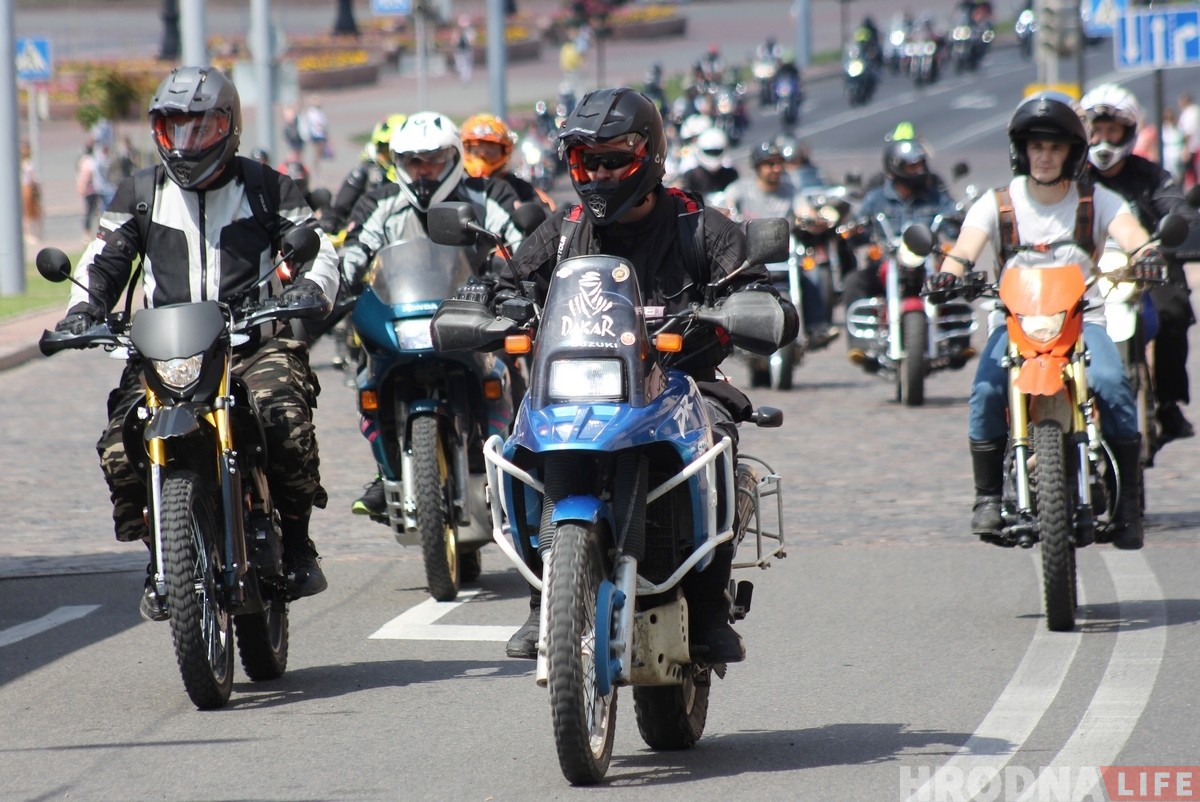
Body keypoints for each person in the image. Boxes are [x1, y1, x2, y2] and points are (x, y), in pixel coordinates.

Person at [489, 87, 799, 663]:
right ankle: (543, 600)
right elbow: (504, 282)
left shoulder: (699, 227)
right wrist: (481, 301)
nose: (600, 174)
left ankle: (708, 606)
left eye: (614, 160)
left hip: (683, 383)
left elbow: (758, 289)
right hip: (582, 387)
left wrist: (751, 304)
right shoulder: (567, 230)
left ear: (649, 155)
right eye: (587, 161)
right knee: (526, 443)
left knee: (719, 439)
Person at [53, 66, 340, 619]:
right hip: (165, 354)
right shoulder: (140, 192)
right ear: (158, 130)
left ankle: (299, 544)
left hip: (250, 344)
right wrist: (82, 310)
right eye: (174, 128)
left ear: (229, 125)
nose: (187, 141)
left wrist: (309, 287)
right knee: (119, 445)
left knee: (283, 418)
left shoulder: (267, 187)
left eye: (201, 127)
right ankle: (164, 557)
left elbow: (316, 246)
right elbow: (104, 259)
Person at [928, 91, 1155, 550]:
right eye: (1037, 146)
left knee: (1112, 383)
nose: (1045, 156)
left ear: (1072, 153)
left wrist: (1147, 254)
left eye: (1055, 147)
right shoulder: (997, 203)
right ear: (1022, 151)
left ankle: (1128, 504)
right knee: (987, 390)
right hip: (1012, 325)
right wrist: (949, 273)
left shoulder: (1098, 200)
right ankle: (987, 497)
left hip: (1082, 322)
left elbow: (1133, 234)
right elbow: (965, 247)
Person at [342, 112, 526, 519]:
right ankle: (386, 468)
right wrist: (342, 273)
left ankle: (522, 461)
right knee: (366, 370)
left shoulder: (486, 195)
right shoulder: (380, 201)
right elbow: (355, 244)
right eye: (413, 162)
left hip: (474, 314)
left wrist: (509, 268)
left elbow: (520, 239)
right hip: (403, 314)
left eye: (433, 160)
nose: (423, 171)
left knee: (513, 361)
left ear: (453, 158)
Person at [1081, 84, 1200, 445]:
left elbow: (1175, 206)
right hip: (1089, 271)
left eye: (1112, 130)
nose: (1103, 139)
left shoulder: (1151, 176)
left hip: (1148, 269)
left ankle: (1168, 402)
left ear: (1128, 132)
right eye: (1096, 131)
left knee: (1173, 311)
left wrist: (1184, 228)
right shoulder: (1074, 179)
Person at [842, 135, 959, 363]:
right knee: (852, 281)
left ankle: (957, 339)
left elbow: (954, 224)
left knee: (957, 277)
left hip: (927, 264)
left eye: (921, 164)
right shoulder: (876, 199)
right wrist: (856, 230)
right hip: (887, 263)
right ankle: (860, 344)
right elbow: (858, 226)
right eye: (912, 166)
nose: (919, 170)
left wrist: (958, 220)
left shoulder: (936, 197)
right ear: (895, 167)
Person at [724, 139, 838, 348]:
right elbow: (725, 207)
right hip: (749, 258)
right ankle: (724, 330)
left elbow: (804, 210)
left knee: (812, 274)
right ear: (757, 166)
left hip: (785, 258)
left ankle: (817, 328)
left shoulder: (791, 191)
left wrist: (813, 218)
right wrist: (728, 214)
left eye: (779, 163)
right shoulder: (740, 189)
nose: (776, 168)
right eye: (770, 164)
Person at [322, 113, 406, 235]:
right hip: (365, 238)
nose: (394, 160)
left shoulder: (420, 180)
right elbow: (336, 212)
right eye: (387, 152)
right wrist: (330, 223)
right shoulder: (364, 175)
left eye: (399, 154)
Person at [460, 112, 555, 213]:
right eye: (476, 152)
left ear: (505, 152)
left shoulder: (520, 187)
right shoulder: (455, 185)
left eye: (490, 153)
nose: (482, 159)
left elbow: (546, 212)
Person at [675, 126, 739, 197]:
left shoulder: (731, 174)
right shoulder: (690, 176)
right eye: (709, 152)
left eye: (716, 152)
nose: (713, 156)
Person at [20, 140, 43, 246]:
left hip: (31, 187)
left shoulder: (28, 162)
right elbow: (30, 176)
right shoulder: (25, 163)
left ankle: (36, 234)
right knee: (28, 212)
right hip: (28, 187)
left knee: (36, 212)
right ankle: (28, 234)